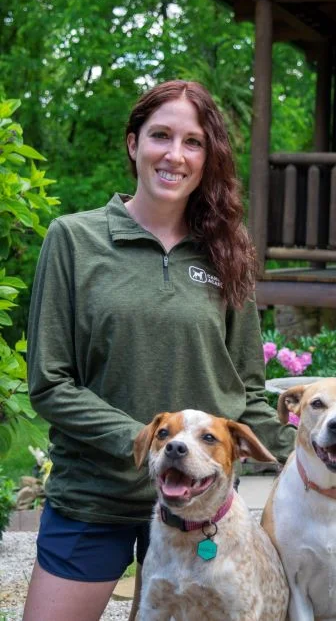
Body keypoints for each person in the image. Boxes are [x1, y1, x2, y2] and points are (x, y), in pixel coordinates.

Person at [23, 80, 296, 621]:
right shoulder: (73, 240)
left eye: (192, 142)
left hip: (202, 514)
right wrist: (149, 444)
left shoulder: (227, 252)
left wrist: (304, 454)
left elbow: (245, 390)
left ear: (207, 156)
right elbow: (51, 382)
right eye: (160, 136)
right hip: (93, 498)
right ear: (133, 144)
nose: (175, 155)